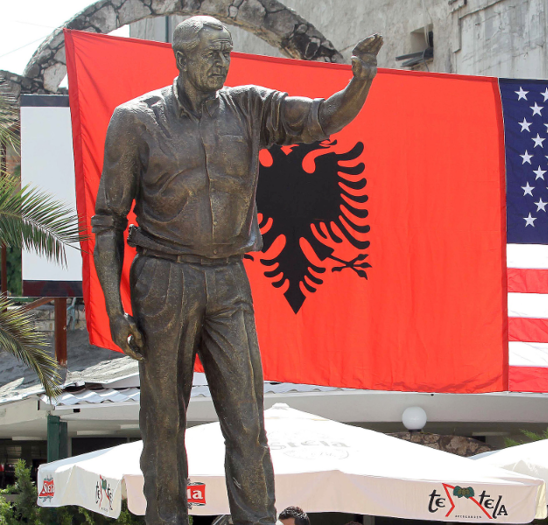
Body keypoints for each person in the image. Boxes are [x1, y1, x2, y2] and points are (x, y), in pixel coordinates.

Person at [92, 15, 382, 525]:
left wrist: (359, 79)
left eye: (226, 53)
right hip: (163, 276)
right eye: (210, 54)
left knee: (248, 422)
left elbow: (321, 118)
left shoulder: (249, 107)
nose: (221, 63)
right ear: (180, 58)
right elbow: (108, 221)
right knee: (162, 424)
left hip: (228, 277)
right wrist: (116, 312)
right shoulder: (135, 120)